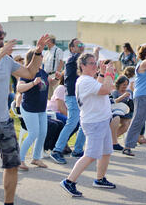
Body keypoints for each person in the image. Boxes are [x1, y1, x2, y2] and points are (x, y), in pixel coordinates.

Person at [0, 20, 49, 205]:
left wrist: (38, 52)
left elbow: (30, 72)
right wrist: (1, 56)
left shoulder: (6, 60)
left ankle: (9, 203)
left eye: (3, 33)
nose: (2, 36)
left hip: (4, 121)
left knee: (12, 165)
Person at [60, 53, 116, 197]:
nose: (95, 65)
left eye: (95, 62)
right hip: (95, 122)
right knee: (90, 155)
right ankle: (69, 181)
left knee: (106, 152)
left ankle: (100, 179)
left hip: (101, 120)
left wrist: (103, 73)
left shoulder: (88, 80)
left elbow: (98, 87)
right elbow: (105, 89)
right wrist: (109, 73)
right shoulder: (85, 81)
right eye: (91, 63)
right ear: (82, 66)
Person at [17, 49, 59, 170]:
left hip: (41, 108)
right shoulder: (26, 72)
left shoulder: (42, 72)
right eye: (40, 56)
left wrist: (56, 79)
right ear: (33, 59)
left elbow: (49, 83)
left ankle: (36, 158)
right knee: (33, 133)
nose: (42, 58)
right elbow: (20, 88)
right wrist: (33, 83)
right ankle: (20, 159)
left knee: (42, 134)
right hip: (29, 108)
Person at [50, 38, 86, 164]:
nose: (82, 46)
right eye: (79, 45)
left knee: (84, 123)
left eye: (83, 44)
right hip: (71, 95)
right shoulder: (74, 58)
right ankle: (56, 150)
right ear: (72, 49)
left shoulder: (79, 60)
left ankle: (77, 150)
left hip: (80, 96)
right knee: (72, 122)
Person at [123, 66, 146, 144]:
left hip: (127, 103)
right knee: (141, 117)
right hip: (134, 101)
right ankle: (140, 136)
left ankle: (139, 136)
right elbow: (134, 89)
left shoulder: (125, 80)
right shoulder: (134, 80)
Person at [111, 75, 133, 150]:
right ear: (119, 84)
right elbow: (113, 102)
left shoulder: (129, 91)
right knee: (125, 123)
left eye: (126, 85)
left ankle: (111, 140)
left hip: (126, 112)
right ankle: (112, 141)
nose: (125, 86)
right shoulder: (115, 92)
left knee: (127, 125)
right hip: (117, 112)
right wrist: (123, 96)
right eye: (124, 84)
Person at [43, 34, 64, 98]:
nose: (44, 41)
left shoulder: (58, 50)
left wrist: (57, 74)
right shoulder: (46, 52)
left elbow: (61, 62)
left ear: (49, 41)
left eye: (46, 40)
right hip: (47, 75)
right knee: (48, 95)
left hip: (54, 74)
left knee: (56, 94)